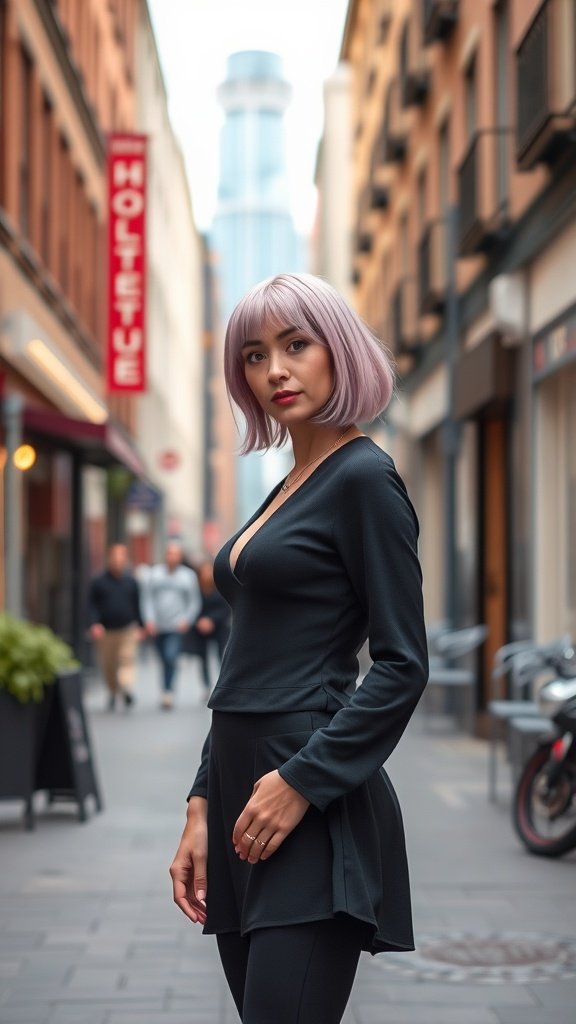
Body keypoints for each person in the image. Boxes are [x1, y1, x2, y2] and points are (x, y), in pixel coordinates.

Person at [169, 273, 428, 1023]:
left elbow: (404, 664)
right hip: (239, 798)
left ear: (336, 350)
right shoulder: (289, 484)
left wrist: (302, 782)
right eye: (254, 355)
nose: (275, 369)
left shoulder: (364, 478)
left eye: (295, 344)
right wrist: (199, 802)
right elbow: (247, 660)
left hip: (307, 803)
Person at [142, 542, 201, 709]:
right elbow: (147, 599)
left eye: (175, 554)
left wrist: (187, 619)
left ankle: (168, 692)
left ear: (180, 557)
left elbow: (194, 602)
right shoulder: (154, 574)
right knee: (163, 659)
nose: (172, 557)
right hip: (158, 625)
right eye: (169, 553)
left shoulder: (188, 576)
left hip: (176, 626)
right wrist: (149, 619)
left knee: (170, 656)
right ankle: (165, 688)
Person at [88, 543, 143, 710]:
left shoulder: (131, 581)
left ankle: (125, 688)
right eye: (115, 557)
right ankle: (113, 691)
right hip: (106, 631)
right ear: (109, 559)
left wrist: (141, 625)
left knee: (126, 660)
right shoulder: (98, 582)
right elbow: (91, 605)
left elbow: (137, 604)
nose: (118, 561)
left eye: (122, 557)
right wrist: (94, 623)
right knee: (109, 665)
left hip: (127, 629)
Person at [184, 559, 231, 697]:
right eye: (203, 571)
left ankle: (223, 684)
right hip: (200, 628)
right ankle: (206, 686)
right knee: (203, 658)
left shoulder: (221, 586)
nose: (206, 574)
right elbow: (191, 606)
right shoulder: (195, 589)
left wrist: (211, 620)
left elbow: (227, 607)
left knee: (221, 656)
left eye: (208, 571)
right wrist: (199, 621)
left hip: (219, 627)